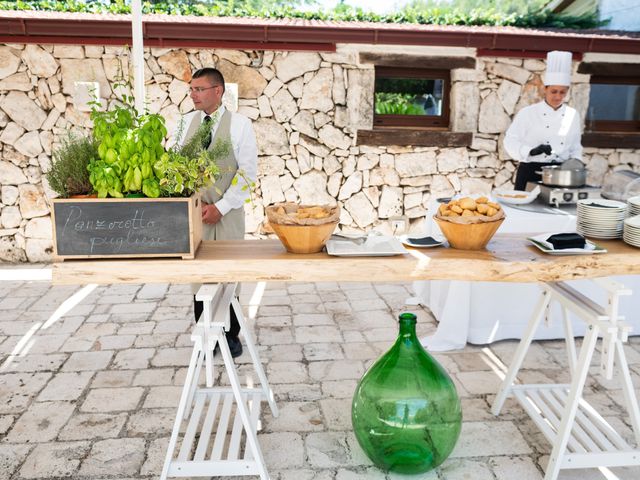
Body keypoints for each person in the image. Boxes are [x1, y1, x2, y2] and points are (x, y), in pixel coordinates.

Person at [175, 67, 258, 358]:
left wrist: (220, 207)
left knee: (229, 273)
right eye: (191, 89)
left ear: (217, 91)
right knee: (199, 274)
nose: (193, 94)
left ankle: (230, 335)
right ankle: (205, 332)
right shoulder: (183, 124)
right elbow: (174, 166)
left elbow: (248, 174)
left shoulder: (241, 125)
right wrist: (190, 204)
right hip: (194, 214)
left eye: (199, 89)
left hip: (228, 212)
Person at [504, 51, 583, 191]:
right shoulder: (528, 113)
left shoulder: (572, 115)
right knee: (525, 211)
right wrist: (531, 151)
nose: (558, 96)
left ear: (567, 91)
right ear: (545, 89)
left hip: (560, 175)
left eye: (562, 92)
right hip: (531, 171)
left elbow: (575, 146)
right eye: (554, 91)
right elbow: (510, 141)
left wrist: (577, 164)